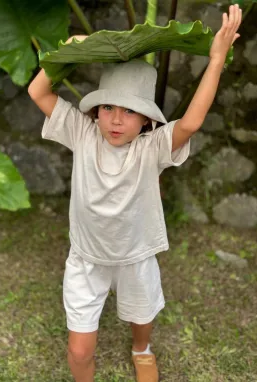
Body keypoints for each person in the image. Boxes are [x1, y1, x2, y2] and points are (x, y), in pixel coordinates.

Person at [28, 5, 241, 382]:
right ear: (96, 112)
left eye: (129, 111)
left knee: (141, 316)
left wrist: (216, 59)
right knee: (79, 351)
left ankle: (141, 348)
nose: (114, 119)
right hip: (86, 257)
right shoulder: (82, 132)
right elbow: (38, 89)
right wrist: (74, 49)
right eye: (107, 107)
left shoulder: (152, 147)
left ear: (147, 119)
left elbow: (190, 123)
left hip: (135, 253)